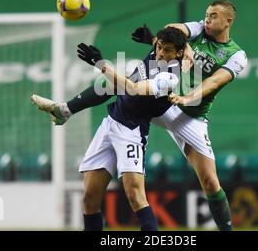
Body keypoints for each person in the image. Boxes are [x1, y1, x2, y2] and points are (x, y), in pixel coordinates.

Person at [32, 0, 247, 231]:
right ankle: (65, 110)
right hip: (164, 102)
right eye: (207, 14)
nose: (207, 18)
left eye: (214, 16)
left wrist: (188, 96)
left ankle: (226, 229)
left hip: (189, 114)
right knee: (113, 83)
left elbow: (216, 80)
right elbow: (172, 31)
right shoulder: (196, 30)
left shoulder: (236, 55)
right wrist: (179, 46)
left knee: (210, 181)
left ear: (228, 21)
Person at [33, 26, 187, 231]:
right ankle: (64, 110)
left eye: (167, 50)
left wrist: (100, 63)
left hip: (132, 131)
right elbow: (156, 44)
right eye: (159, 47)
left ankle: (64, 110)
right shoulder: (157, 50)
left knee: (135, 196)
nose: (160, 53)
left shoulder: (170, 78)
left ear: (178, 53)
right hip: (110, 123)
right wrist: (150, 38)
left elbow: (132, 89)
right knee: (89, 199)